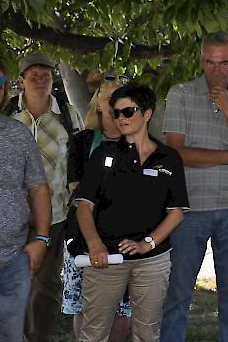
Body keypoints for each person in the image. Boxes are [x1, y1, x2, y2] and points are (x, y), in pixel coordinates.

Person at [161, 31, 228, 342]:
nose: (216, 70)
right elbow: (176, 154)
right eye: (210, 63)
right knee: (177, 294)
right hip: (189, 209)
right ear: (201, 60)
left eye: (224, 63)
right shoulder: (181, 94)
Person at [75, 83, 189, 342]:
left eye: (128, 111)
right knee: (93, 332)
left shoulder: (169, 158)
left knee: (147, 332)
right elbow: (84, 205)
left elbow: (176, 212)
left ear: (147, 113)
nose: (120, 119)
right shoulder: (103, 154)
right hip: (104, 257)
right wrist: (94, 246)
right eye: (116, 113)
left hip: (153, 260)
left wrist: (147, 244)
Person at [7, 53, 84, 342]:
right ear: (21, 81)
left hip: (53, 216)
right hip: (9, 216)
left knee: (46, 284)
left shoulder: (68, 114)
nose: (40, 80)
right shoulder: (5, 115)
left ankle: (38, 337)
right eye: (33, 75)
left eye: (46, 75)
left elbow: (77, 162)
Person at [63, 74, 131, 341]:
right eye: (109, 99)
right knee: (84, 305)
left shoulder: (139, 143)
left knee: (120, 309)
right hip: (82, 235)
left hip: (125, 238)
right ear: (99, 105)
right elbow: (76, 189)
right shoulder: (82, 141)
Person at [0, 62, 52, 342]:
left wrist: (41, 238)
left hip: (12, 261)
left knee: (8, 336)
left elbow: (38, 189)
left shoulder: (17, 134)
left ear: (1, 92)